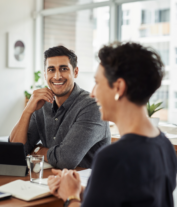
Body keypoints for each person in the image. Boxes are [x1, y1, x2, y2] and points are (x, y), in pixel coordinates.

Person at [48, 42, 177, 207]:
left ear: (119, 88)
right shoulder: (164, 145)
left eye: (98, 83)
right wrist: (82, 190)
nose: (93, 93)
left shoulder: (112, 158)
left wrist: (71, 197)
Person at [10, 46, 111, 169]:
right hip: (51, 180)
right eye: (51, 70)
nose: (57, 76)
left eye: (63, 69)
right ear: (45, 74)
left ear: (75, 72)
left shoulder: (92, 106)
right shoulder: (42, 104)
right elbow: (15, 150)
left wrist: (38, 150)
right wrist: (27, 111)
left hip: (85, 185)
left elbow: (66, 160)